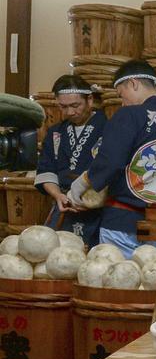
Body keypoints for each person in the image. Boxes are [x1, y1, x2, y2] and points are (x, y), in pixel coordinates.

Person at [69, 59, 156, 258]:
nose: (122, 102)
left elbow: (110, 161)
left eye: (121, 95)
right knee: (153, 285)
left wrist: (80, 185)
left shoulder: (130, 115)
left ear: (133, 83)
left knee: (119, 283)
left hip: (122, 223)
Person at [33, 74, 107, 247]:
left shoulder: (108, 128)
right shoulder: (55, 133)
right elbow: (46, 169)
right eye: (63, 107)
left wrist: (93, 198)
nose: (69, 112)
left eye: (75, 105)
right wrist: (57, 195)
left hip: (97, 209)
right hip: (64, 205)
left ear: (89, 100)